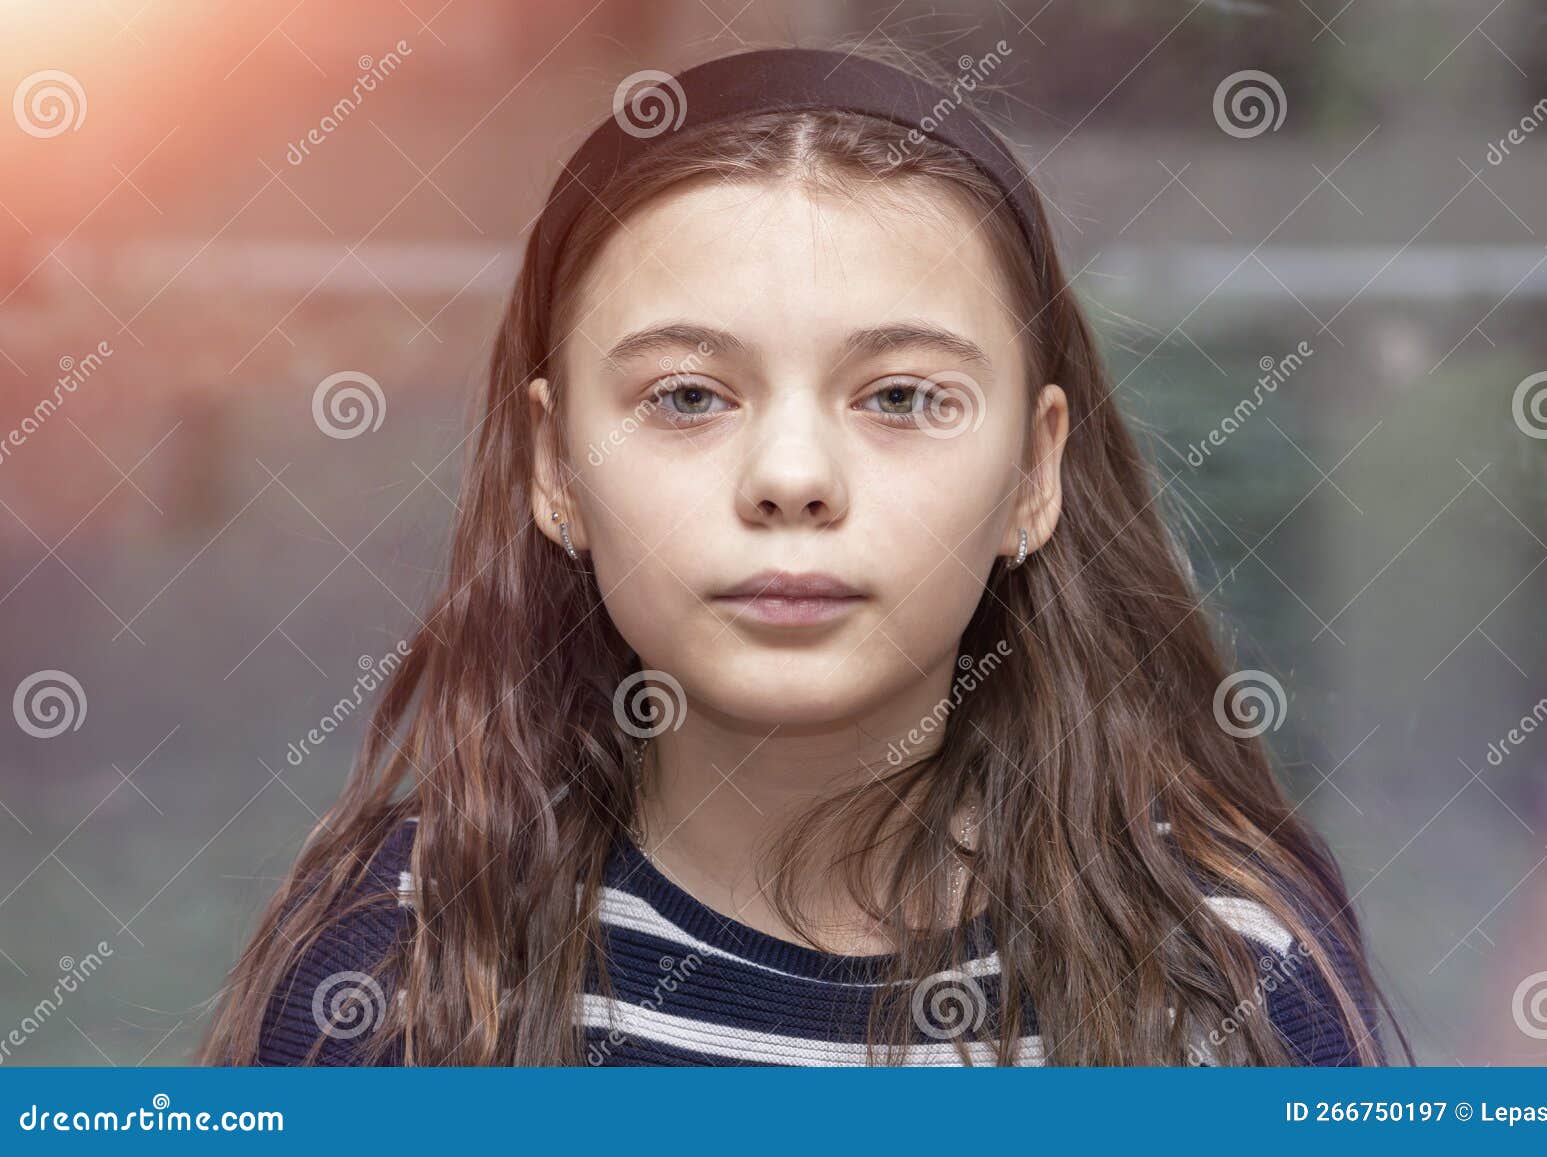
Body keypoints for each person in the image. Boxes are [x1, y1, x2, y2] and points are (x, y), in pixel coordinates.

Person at [199, 44, 1409, 1067]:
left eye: (897, 394)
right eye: (683, 394)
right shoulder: (391, 965)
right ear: (555, 470)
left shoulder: (1230, 989)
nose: (790, 475)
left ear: (1034, 475)